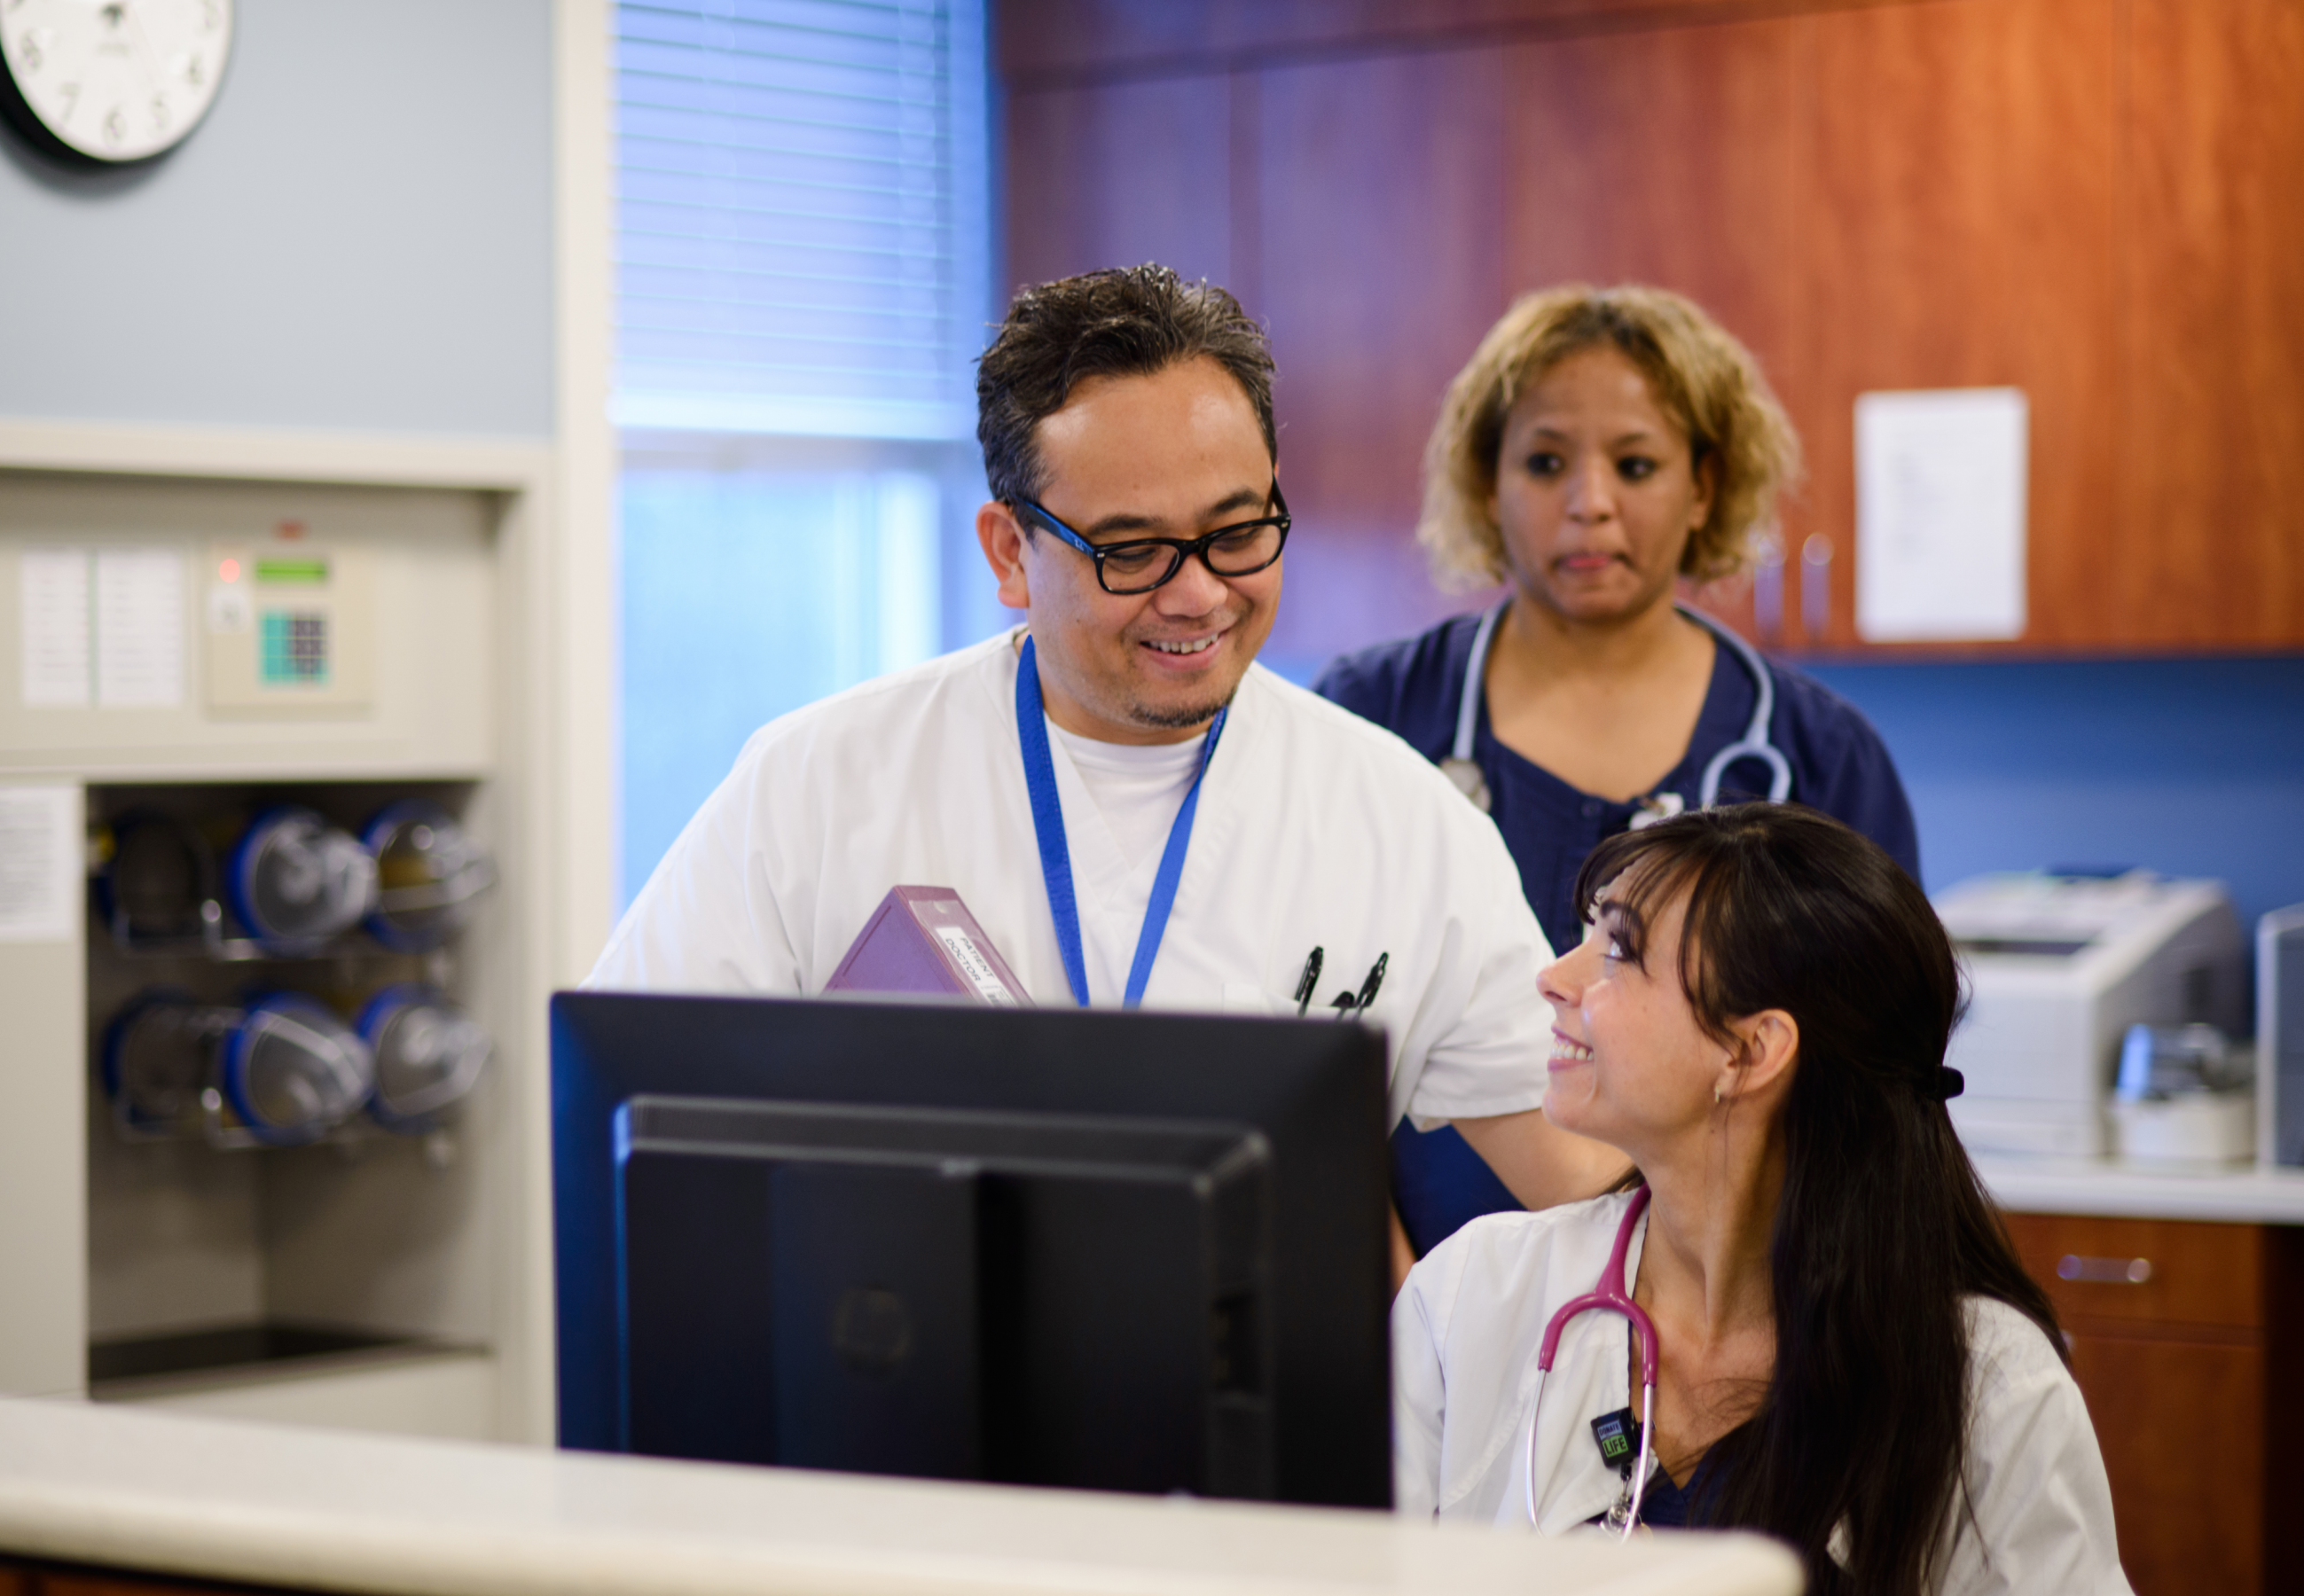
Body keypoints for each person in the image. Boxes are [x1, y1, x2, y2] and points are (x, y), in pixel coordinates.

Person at [587, 264, 1627, 1222]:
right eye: (1130, 550)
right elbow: (622, 1115)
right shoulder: (818, 786)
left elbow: (1584, 1192)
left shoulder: (1405, 823)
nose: (1198, 592)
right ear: (1009, 551)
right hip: (896, 1378)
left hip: (1258, 1397)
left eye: (1236, 531)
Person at [1315, 285, 1919, 1256]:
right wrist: (1382, 1306)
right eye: (1545, 461)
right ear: (1488, 483)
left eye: (1635, 464)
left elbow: (1873, 1088)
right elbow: (1300, 1042)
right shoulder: (1370, 722)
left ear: (1704, 488)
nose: (1589, 502)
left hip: (1731, 1313)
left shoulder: (1815, 759)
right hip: (1411, 1307)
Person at [1393, 805, 2128, 1596]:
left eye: (1617, 953)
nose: (1554, 979)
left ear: (1750, 1051)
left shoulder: (1993, 1390)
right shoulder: (1471, 1297)